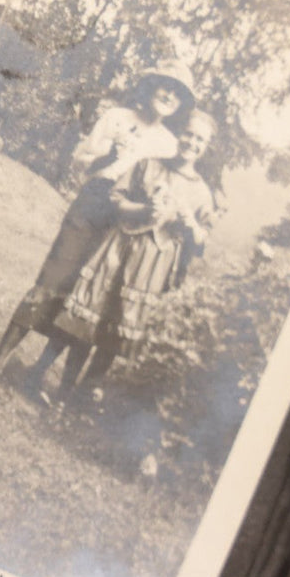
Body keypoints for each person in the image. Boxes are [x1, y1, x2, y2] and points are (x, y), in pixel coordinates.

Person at [0, 60, 196, 392]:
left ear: (180, 104)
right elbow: (80, 161)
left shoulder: (169, 144)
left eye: (177, 92)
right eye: (165, 85)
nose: (169, 95)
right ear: (151, 85)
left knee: (85, 302)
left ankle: (37, 373)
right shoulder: (117, 118)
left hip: (126, 225)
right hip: (92, 206)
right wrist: (106, 158)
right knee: (51, 281)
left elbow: (169, 190)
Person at [46, 109, 220, 409]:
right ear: (180, 134)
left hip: (153, 265)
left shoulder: (202, 192)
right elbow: (115, 198)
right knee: (90, 317)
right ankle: (63, 393)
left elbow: (202, 239)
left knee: (119, 329)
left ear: (206, 146)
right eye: (188, 134)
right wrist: (143, 210)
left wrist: (192, 225)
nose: (192, 142)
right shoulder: (148, 165)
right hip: (119, 249)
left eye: (200, 139)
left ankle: (81, 397)